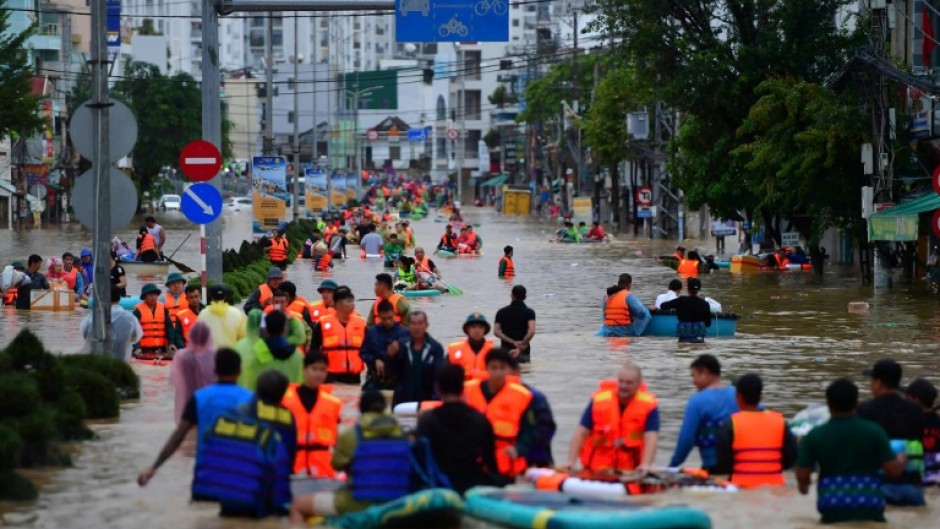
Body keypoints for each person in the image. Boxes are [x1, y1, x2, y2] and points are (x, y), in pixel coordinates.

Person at [137, 348, 254, 487]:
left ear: (215, 371)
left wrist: (153, 468)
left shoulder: (199, 398)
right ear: (239, 371)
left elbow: (178, 436)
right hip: (240, 480)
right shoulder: (251, 400)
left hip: (205, 481)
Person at [796, 378, 906, 524]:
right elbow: (892, 471)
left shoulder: (815, 436)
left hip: (832, 511)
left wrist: (804, 486)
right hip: (870, 509)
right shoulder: (874, 431)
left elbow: (802, 475)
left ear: (828, 404)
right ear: (856, 403)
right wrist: (902, 458)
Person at [288, 392, 407, 520]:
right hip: (397, 501)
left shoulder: (352, 434)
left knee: (297, 505)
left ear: (360, 409)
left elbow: (336, 464)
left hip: (358, 502)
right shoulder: (403, 435)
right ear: (384, 408)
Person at [415, 364, 503, 493]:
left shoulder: (427, 421)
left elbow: (420, 460)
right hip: (471, 487)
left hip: (438, 488)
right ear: (463, 388)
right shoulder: (480, 420)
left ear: (437, 388)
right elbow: (491, 464)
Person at [566, 361, 659, 474]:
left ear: (639, 384)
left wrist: (646, 464)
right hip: (596, 470)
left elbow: (651, 436)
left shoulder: (648, 405)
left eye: (629, 383)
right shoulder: (599, 401)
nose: (623, 386)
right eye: (621, 381)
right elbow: (581, 432)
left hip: (632, 471)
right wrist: (571, 461)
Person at [857, 359, 926, 505]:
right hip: (913, 488)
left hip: (878, 488)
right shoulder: (915, 410)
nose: (870, 385)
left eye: (872, 380)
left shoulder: (864, 410)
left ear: (878, 383)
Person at [463, 349, 538, 478]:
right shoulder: (467, 391)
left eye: (502, 368)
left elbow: (531, 430)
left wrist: (519, 449)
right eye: (494, 367)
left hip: (507, 464)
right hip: (472, 462)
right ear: (486, 368)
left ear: (509, 370)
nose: (498, 373)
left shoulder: (522, 396)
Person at [715, 373, 797, 488]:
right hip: (776, 488)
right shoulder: (780, 421)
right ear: (760, 396)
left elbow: (722, 465)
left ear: (738, 397)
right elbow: (792, 457)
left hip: (741, 489)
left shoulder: (730, 425)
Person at [669, 354, 739, 472]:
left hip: (713, 467)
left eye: (694, 375)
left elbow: (686, 440)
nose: (693, 381)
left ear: (704, 372)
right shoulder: (739, 395)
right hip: (740, 466)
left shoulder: (697, 401)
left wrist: (671, 466)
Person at [281, 351, 344, 477]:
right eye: (314, 369)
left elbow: (337, 441)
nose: (318, 374)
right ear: (304, 369)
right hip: (292, 467)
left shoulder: (333, 404)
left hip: (323, 471)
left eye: (323, 370)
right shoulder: (285, 400)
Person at [310, 286, 368, 385]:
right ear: (338, 304)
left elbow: (370, 349)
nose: (352, 304)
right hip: (330, 377)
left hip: (354, 377)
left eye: (353, 301)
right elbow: (313, 350)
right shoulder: (323, 324)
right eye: (349, 301)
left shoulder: (361, 323)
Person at [387, 310, 445, 406]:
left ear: (426, 325)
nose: (416, 327)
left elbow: (439, 377)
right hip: (403, 401)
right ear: (408, 326)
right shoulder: (400, 346)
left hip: (428, 401)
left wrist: (436, 401)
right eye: (413, 324)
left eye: (420, 324)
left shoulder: (435, 348)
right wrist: (390, 356)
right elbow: (390, 372)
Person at [238, 310, 303, 391]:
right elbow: (301, 382)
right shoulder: (297, 355)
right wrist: (293, 320)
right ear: (284, 329)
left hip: (264, 400)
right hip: (288, 400)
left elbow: (250, 381)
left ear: (266, 329)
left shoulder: (256, 351)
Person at [169, 321, 216, 424]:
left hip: (188, 403)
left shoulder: (181, 356)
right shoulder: (214, 355)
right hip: (209, 404)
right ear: (208, 337)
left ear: (190, 336)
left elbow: (174, 381)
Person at [80, 285, 143, 362]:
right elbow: (136, 337)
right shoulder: (129, 318)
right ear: (120, 299)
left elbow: (84, 334)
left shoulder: (92, 317)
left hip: (96, 362)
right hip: (121, 362)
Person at [360, 300, 409, 391]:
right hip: (376, 379)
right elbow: (363, 353)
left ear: (394, 314)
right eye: (384, 319)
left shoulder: (404, 333)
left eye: (390, 318)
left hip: (398, 380)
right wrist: (374, 360)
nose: (387, 321)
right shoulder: (372, 332)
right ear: (379, 317)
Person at [133, 283, 183, 360]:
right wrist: (137, 347)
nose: (153, 297)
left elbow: (169, 327)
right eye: (150, 295)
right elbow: (134, 331)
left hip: (161, 348)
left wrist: (171, 343)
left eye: (155, 294)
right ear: (144, 296)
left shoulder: (163, 309)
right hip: (143, 349)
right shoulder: (138, 311)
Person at [905, 378, 940, 485]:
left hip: (915, 475)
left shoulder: (907, 424)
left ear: (916, 400)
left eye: (907, 398)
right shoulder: (937, 422)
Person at [659, 277, 711, 343]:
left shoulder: (681, 300)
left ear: (687, 289)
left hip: (683, 340)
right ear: (699, 289)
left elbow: (662, 306)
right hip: (699, 341)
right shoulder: (705, 304)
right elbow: (708, 324)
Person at [493, 285, 536, 362]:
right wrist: (522, 344)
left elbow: (496, 332)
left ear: (512, 295)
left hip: (506, 351)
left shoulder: (501, 312)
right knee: (525, 372)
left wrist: (512, 342)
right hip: (523, 351)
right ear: (525, 297)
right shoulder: (529, 312)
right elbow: (531, 331)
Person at [447, 313, 495, 380]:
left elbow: (498, 375)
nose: (477, 330)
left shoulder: (493, 352)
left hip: (484, 389)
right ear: (467, 329)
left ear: (485, 330)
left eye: (480, 327)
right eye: (473, 327)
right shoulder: (454, 350)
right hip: (461, 389)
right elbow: (445, 374)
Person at [600, 273, 651, 337]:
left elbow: (604, 316)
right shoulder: (628, 295)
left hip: (607, 330)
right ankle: (635, 334)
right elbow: (641, 313)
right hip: (624, 330)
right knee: (646, 312)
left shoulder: (606, 296)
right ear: (629, 285)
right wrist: (648, 309)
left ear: (618, 283)